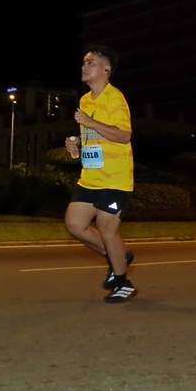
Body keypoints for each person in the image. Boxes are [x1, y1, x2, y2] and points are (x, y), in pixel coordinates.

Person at [63, 45, 137, 302]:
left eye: (91, 63)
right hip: (91, 177)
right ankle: (118, 257)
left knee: (107, 229)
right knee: (74, 224)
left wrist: (91, 122)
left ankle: (123, 282)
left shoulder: (114, 98)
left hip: (115, 179)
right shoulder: (85, 100)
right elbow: (93, 139)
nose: (84, 67)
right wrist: (75, 148)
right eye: (84, 62)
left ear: (106, 69)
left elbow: (124, 135)